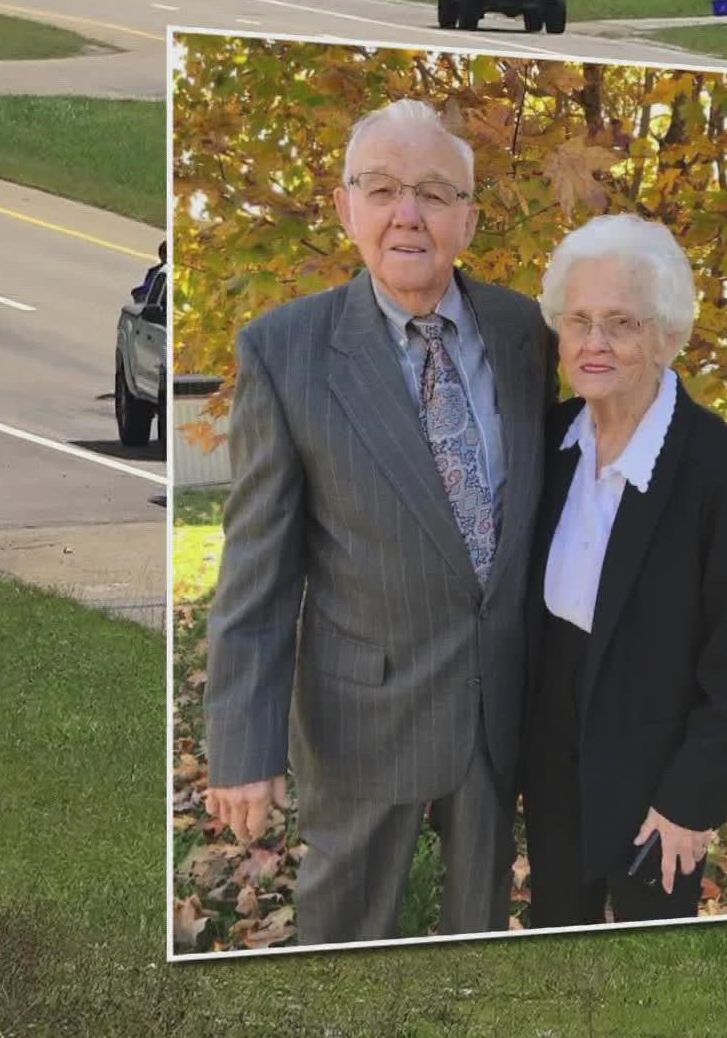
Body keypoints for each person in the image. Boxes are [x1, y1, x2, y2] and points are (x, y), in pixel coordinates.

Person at [202, 98, 555, 946]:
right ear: (345, 206)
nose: (408, 214)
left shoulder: (526, 334)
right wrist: (244, 749)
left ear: (467, 218)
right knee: (347, 948)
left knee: (479, 943)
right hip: (362, 711)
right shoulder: (285, 352)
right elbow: (259, 570)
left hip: (501, 704)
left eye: (434, 193)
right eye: (384, 188)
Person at [521, 213, 727, 927]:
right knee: (557, 934)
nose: (594, 344)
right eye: (579, 321)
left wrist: (692, 799)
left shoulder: (713, 464)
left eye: (621, 323)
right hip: (554, 748)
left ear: (667, 336)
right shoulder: (552, 439)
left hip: (656, 761)